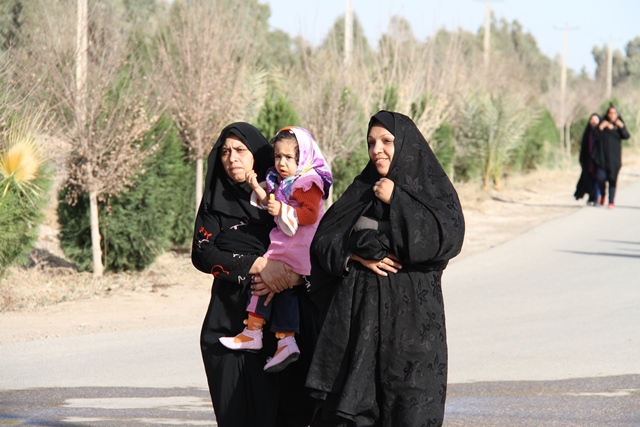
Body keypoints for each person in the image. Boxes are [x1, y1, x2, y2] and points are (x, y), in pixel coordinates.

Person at [305, 111, 465, 427]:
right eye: (371, 142)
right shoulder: (362, 188)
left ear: (405, 144)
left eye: (386, 141)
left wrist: (398, 200)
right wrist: (354, 254)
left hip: (413, 331)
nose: (376, 149)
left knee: (410, 412)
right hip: (357, 331)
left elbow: (446, 238)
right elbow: (324, 241)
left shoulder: (431, 190)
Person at [192, 122, 315, 427]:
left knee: (286, 413)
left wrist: (292, 277)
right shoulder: (214, 203)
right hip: (228, 323)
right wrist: (260, 265)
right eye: (225, 151)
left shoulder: (284, 197)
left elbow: (315, 247)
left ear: (258, 155)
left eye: (240, 150)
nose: (232, 157)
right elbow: (203, 253)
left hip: (284, 328)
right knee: (237, 413)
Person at [219, 126, 332, 374]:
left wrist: (283, 210)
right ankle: (285, 341)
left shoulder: (308, 182)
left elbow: (310, 214)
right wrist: (257, 187)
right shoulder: (286, 182)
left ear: (303, 157)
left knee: (262, 279)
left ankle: (254, 331)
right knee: (283, 292)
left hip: (295, 244)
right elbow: (272, 202)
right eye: (278, 156)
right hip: (289, 240)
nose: (281, 163)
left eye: (289, 157)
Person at [593, 104, 630, 208]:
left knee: (612, 179)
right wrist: (601, 127)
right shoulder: (603, 124)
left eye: (614, 113)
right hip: (601, 158)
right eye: (610, 113)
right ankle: (603, 194)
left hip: (614, 159)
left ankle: (611, 201)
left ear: (617, 114)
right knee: (600, 178)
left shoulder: (619, 126)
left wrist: (621, 126)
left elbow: (626, 136)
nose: (612, 115)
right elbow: (595, 136)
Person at [574, 113, 602, 205]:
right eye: (592, 119)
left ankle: (596, 197)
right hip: (588, 161)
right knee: (589, 180)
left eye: (596, 119)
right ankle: (591, 197)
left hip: (599, 161)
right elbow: (583, 147)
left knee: (598, 179)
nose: (593, 121)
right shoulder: (587, 133)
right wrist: (581, 159)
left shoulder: (602, 132)